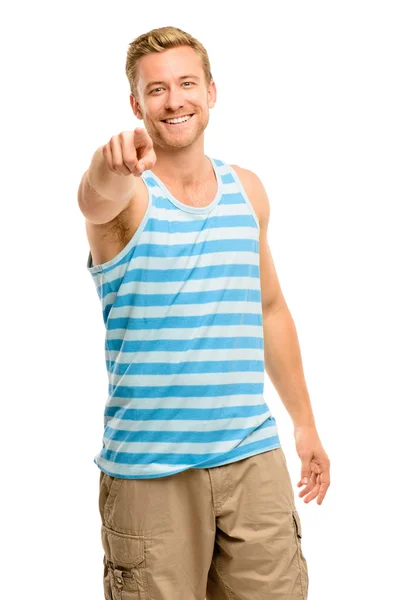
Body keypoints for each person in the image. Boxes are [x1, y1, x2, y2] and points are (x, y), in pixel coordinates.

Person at [78, 25, 330, 600]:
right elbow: (93, 199)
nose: (174, 100)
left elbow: (269, 309)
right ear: (136, 103)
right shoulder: (128, 195)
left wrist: (305, 424)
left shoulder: (248, 191)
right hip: (150, 475)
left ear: (211, 92)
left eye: (187, 83)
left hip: (252, 458)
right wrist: (105, 165)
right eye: (157, 89)